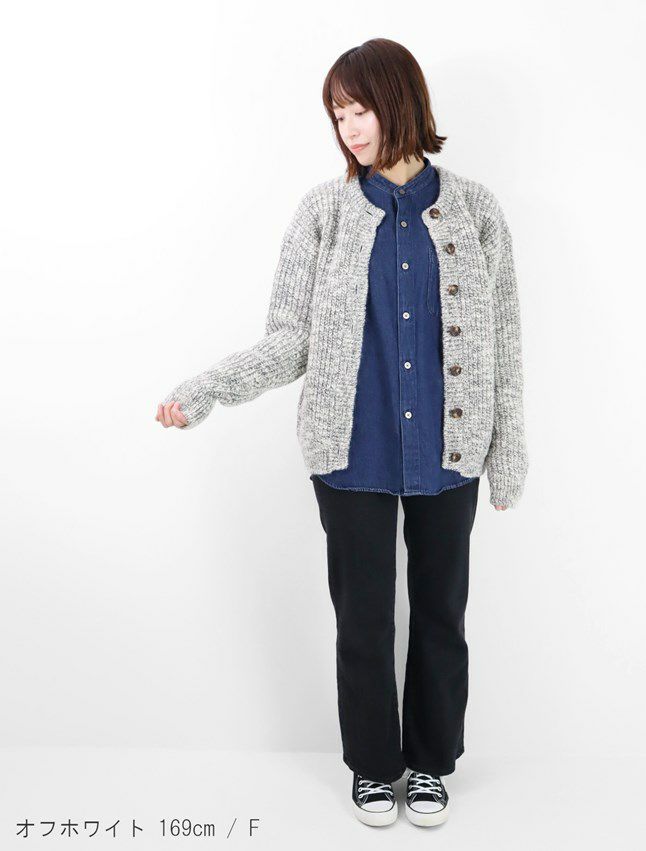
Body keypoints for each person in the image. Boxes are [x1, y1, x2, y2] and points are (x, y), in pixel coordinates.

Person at [156, 37, 528, 828]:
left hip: (449, 448)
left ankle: (430, 764)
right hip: (350, 447)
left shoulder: (474, 211)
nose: (348, 128)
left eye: (359, 109)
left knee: (441, 613)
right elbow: (288, 338)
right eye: (337, 113)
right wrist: (207, 388)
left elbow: (503, 339)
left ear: (400, 103)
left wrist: (508, 451)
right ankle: (373, 766)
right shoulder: (322, 214)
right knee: (363, 619)